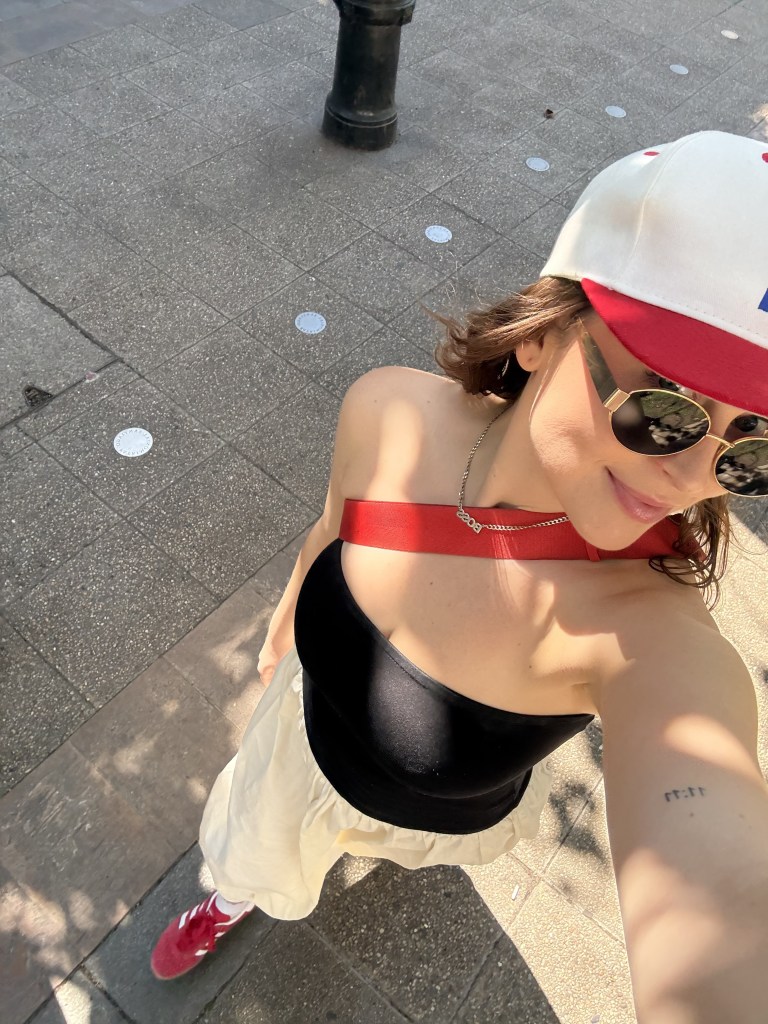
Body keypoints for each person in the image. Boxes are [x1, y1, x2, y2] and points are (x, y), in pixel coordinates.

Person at [151, 131, 768, 1022]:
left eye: (754, 445)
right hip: (300, 743)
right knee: (253, 850)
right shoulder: (389, 409)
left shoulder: (652, 636)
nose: (692, 473)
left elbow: (721, 885)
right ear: (546, 333)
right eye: (665, 407)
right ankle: (234, 895)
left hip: (437, 818)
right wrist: (288, 620)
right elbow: (329, 528)